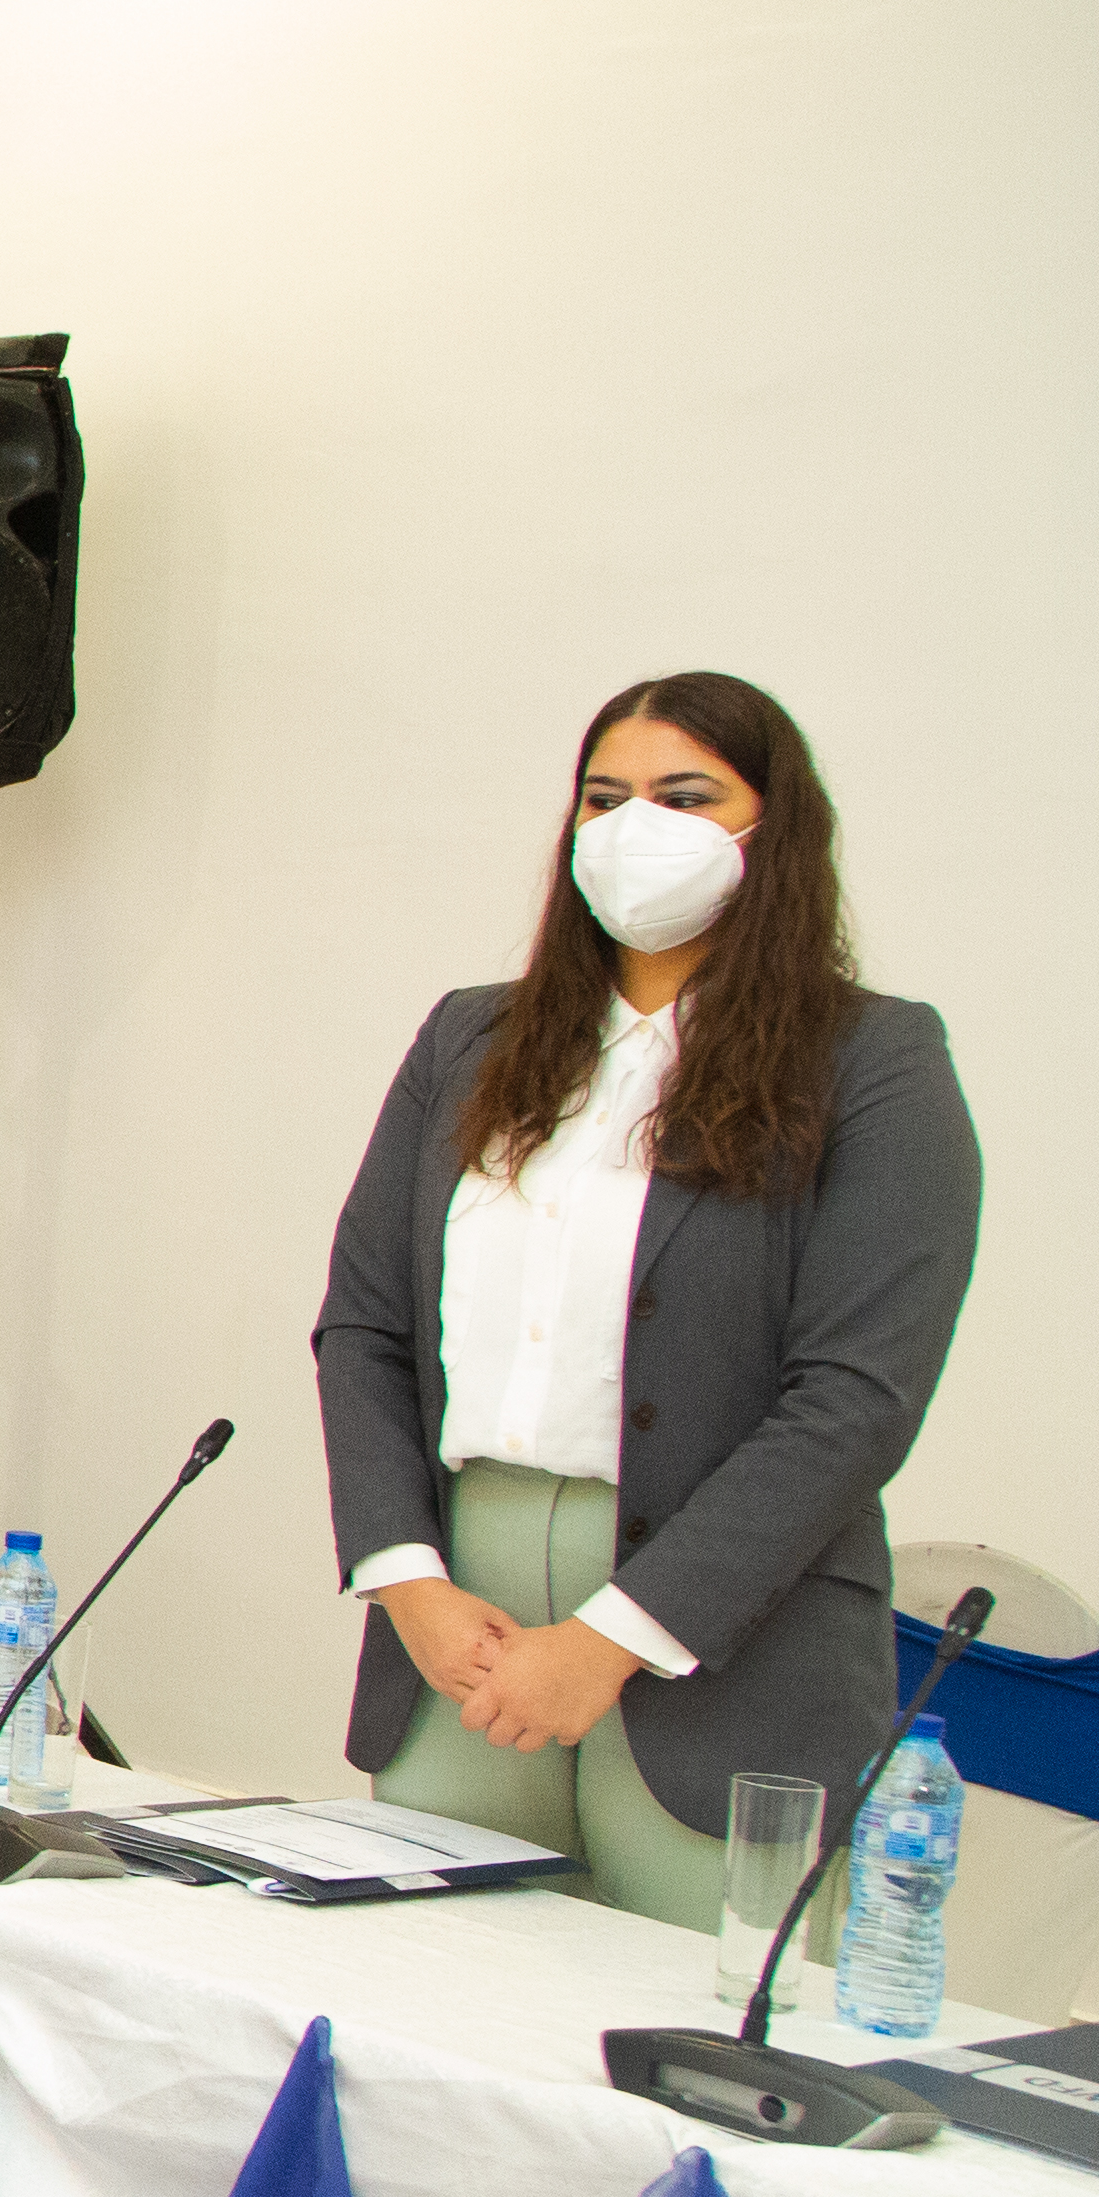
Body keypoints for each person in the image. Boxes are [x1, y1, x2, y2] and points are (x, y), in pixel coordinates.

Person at [314, 673, 978, 1918]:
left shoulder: (874, 1062)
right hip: (461, 1612)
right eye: (604, 796)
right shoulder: (472, 1039)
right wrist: (404, 1576)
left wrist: (614, 1639)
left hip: (726, 1632)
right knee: (431, 2009)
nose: (635, 827)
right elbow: (365, 1327)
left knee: (682, 2050)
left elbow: (855, 1399)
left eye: (687, 796)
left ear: (772, 830)